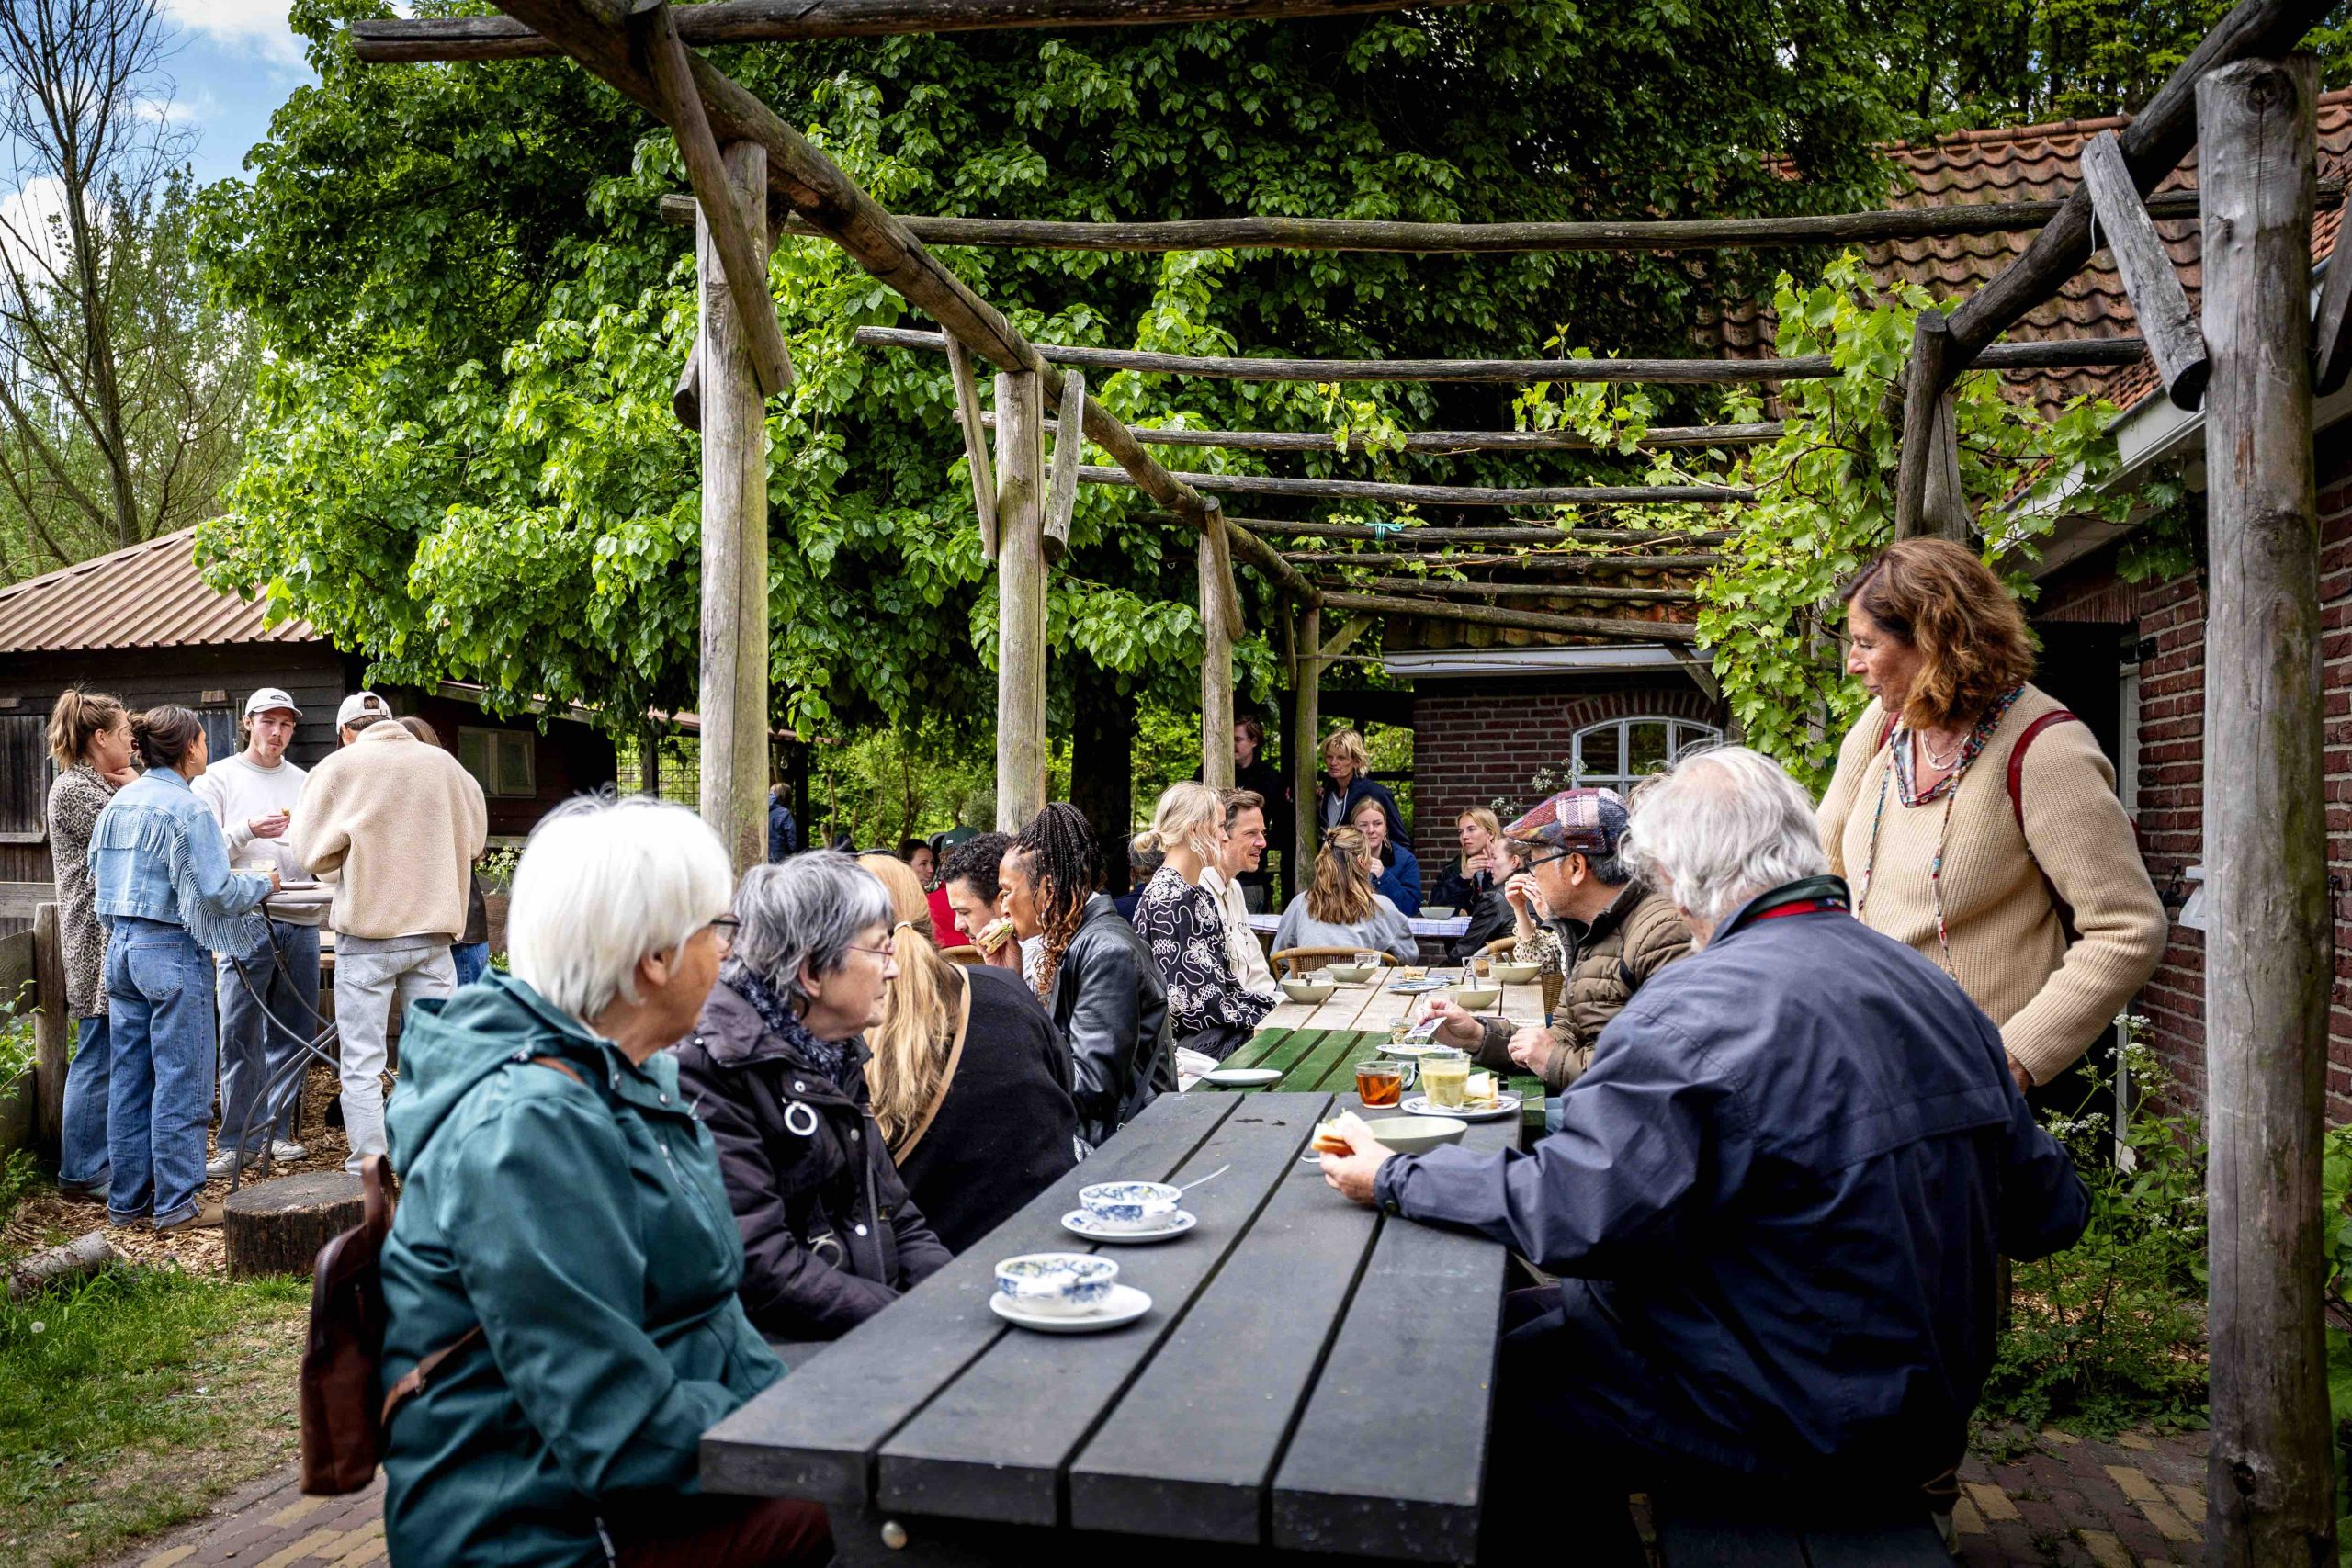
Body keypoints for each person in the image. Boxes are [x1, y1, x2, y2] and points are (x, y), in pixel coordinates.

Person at [1317, 748, 2089, 1558]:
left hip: (1785, 1400)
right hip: (1914, 1398)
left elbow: (1573, 1213)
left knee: (1477, 1397)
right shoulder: (1932, 990)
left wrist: (1395, 1173)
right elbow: (2050, 1210)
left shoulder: (1696, 1006)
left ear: (1683, 880)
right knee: (1507, 1330)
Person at [378, 795, 829, 1567]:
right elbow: (618, 1431)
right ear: (654, 959)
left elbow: (711, 1316)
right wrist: (802, 1436)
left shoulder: (620, 1075)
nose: (728, 953)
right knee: (895, 1513)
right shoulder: (528, 1127)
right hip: (541, 1531)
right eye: (717, 930)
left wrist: (807, 1415)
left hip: (626, 1486)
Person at [1819, 538, 2167, 1095]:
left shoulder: (2045, 749)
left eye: (1866, 643)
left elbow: (2128, 928)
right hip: (1863, 1064)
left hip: (1964, 1087)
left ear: (1933, 641)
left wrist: (2012, 1061)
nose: (1853, 663)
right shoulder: (1884, 728)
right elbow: (1825, 869)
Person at [671, 852, 952, 1339]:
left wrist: (956, 1301)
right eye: (880, 950)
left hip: (867, 1332)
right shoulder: (713, 1068)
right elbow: (762, 1266)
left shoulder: (831, 1048)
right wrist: (911, 1321)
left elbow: (897, 1215)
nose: (894, 970)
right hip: (794, 1369)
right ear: (812, 973)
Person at [87, 707, 277, 1231]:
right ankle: (177, 1205)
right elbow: (216, 890)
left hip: (120, 949)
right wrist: (264, 884)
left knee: (130, 1080)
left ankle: (127, 1203)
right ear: (191, 746)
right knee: (183, 1080)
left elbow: (93, 873)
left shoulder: (119, 803)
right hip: (170, 950)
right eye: (202, 740)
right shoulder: (187, 809)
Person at [291, 694, 489, 1173]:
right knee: (431, 1059)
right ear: (390, 722)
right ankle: (427, 1158)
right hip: (433, 937)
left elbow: (309, 853)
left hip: (368, 939)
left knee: (361, 1062)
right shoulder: (445, 767)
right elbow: (476, 842)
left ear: (344, 731)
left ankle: (370, 1166)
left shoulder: (341, 768)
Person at [857, 854, 1079, 1254]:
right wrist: (1013, 986)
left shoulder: (843, 1040)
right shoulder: (1003, 991)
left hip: (936, 1275)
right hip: (1058, 1243)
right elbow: (1067, 1087)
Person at [1423, 788, 1691, 1096]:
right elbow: (1565, 1035)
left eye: (1535, 863)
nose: (1530, 874)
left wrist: (1553, 1060)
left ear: (1575, 867)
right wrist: (1477, 1036)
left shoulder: (1661, 932)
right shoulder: (1587, 929)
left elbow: (1660, 1069)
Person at [193, 689, 326, 1175]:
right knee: (240, 1030)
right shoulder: (218, 779)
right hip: (244, 922)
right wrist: (248, 829)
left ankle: (277, 1131)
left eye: (286, 723)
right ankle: (236, 1140)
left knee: (294, 1030)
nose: (277, 731)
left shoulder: (307, 782)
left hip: (303, 916)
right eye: (268, 721)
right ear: (247, 722)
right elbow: (204, 857)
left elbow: (322, 848)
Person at [1002, 803, 1172, 1147]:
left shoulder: (1106, 951)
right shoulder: (1077, 936)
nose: (1002, 904)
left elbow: (1092, 1086)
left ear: (1047, 887)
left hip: (1127, 1144)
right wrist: (1011, 982)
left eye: (1007, 890)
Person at [44, 689, 137, 1200]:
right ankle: (80, 1170)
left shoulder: (96, 784)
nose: (133, 746)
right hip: (93, 940)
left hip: (107, 936)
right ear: (99, 738)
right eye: (126, 736)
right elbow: (134, 833)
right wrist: (139, 791)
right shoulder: (74, 790)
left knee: (107, 1050)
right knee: (96, 1052)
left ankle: (98, 1161)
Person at [1128, 783, 1274, 1062]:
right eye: (1220, 827)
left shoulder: (1191, 892)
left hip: (1205, 1041)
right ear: (1195, 830)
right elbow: (1195, 1006)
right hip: (1187, 1056)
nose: (1224, 836)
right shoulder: (1173, 898)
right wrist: (1265, 1013)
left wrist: (1267, 1006)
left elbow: (1225, 983)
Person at [396, 716, 493, 988]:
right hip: (428, 935)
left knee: (451, 1026)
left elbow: (473, 847)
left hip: (459, 936)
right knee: (423, 1026)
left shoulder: (453, 786)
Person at [1272, 826, 1417, 962]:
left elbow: (1280, 955)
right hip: (1361, 987)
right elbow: (1409, 956)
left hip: (1310, 986)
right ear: (1361, 861)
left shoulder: (1301, 902)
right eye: (1369, 856)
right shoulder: (1379, 906)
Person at [1201, 788, 1282, 1006]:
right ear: (1222, 835)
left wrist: (1277, 1010)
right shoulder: (1197, 893)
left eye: (1262, 833)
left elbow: (1257, 972)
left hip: (1254, 1014)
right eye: (1251, 833)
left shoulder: (1235, 888)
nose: (1262, 842)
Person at [1219, 715, 1291, 910]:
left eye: (1238, 739)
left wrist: (1262, 842)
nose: (1233, 744)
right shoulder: (1210, 772)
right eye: (1230, 739)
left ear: (1254, 741)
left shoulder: (1270, 779)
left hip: (1252, 873)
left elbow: (1283, 823)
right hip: (1216, 868)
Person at [937, 830, 1022, 973]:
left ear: (1003, 901)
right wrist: (1008, 977)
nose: (958, 926)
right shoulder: (1012, 955)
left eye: (964, 912)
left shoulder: (1041, 958)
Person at [1315, 728, 1408, 847]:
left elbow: (1402, 843)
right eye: (1329, 757)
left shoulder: (1377, 793)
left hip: (1365, 864)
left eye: (1341, 758)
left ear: (1357, 761)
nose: (1333, 763)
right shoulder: (1325, 791)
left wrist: (1381, 864)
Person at [1351, 794, 1422, 917]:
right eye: (1363, 825)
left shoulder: (1405, 860)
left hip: (1390, 932)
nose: (1371, 830)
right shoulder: (1342, 856)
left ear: (1385, 827)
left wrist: (1383, 877)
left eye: (1377, 824)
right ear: (1353, 828)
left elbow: (1411, 908)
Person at [1427, 808, 1502, 911]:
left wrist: (1489, 876)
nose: (1464, 836)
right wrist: (1462, 880)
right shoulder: (1452, 869)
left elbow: (1500, 910)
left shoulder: (1508, 865)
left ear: (1490, 834)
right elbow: (1435, 909)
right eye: (1460, 832)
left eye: (1471, 829)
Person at [767, 781, 798, 862]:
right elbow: (792, 842)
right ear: (787, 797)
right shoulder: (784, 813)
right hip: (780, 860)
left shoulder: (762, 810)